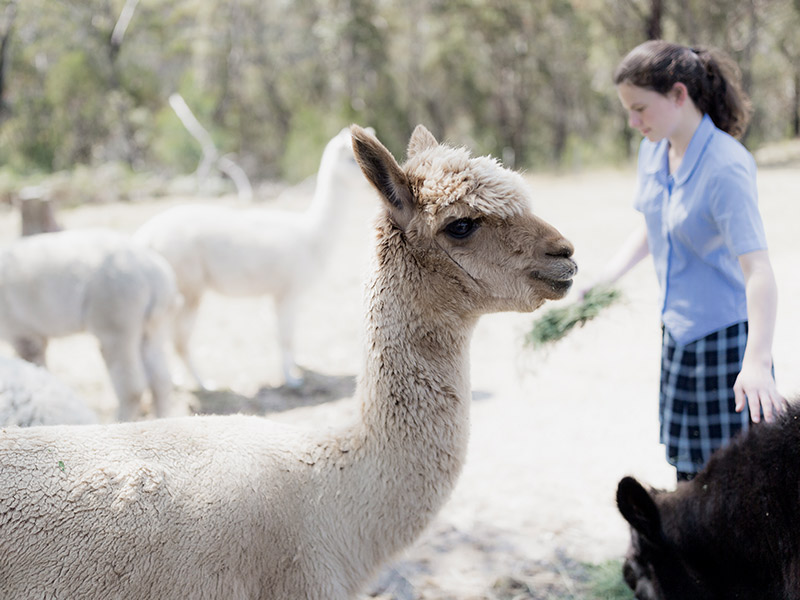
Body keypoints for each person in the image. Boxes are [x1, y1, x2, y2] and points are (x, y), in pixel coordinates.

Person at [583, 40, 787, 481]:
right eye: (628, 110)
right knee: (688, 480)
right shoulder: (653, 152)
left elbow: (759, 271)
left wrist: (757, 362)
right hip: (677, 336)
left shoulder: (726, 167)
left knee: (734, 485)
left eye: (640, 109)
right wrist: (605, 279)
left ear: (679, 95)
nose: (633, 122)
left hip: (728, 346)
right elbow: (654, 227)